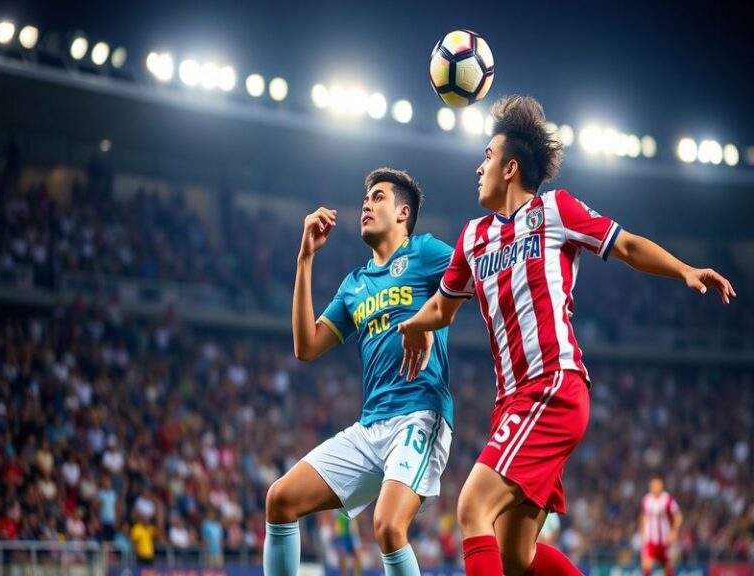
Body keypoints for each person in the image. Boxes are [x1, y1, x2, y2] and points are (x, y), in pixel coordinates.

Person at [397, 95, 735, 576]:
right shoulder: (472, 238)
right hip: (512, 402)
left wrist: (684, 270)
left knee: (472, 507)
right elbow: (443, 307)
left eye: (487, 157)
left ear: (511, 168)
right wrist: (414, 324)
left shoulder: (554, 210)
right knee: (516, 556)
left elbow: (629, 245)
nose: (478, 168)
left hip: (552, 385)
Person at [264, 168, 455, 576]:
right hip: (371, 428)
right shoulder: (355, 284)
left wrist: (427, 320)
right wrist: (305, 259)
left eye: (379, 197)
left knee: (387, 526)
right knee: (280, 499)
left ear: (403, 212)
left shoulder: (426, 252)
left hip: (420, 415)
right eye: (366, 198)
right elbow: (306, 346)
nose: (366, 203)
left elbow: (473, 272)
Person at [639, 474, 682, 576]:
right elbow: (643, 516)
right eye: (653, 484)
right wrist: (642, 533)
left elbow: (678, 517)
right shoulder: (646, 499)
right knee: (646, 565)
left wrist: (674, 531)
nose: (655, 487)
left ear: (662, 485)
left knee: (667, 566)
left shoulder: (668, 499)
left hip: (664, 539)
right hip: (650, 539)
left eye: (657, 484)